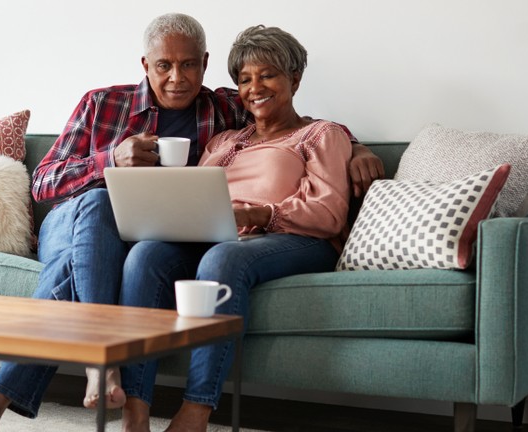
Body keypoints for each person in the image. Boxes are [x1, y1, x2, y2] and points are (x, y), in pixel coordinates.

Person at [0, 15, 383, 432]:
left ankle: (13, 398)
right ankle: (98, 361)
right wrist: (110, 161)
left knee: (140, 255)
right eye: (164, 65)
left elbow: (300, 123)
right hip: (72, 219)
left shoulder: (222, 110)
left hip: (164, 232)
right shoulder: (103, 103)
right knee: (100, 201)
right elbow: (43, 182)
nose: (177, 77)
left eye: (189, 64)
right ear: (146, 65)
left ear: (204, 63)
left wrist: (357, 149)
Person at [116, 24, 353, 432]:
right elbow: (194, 195)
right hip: (219, 234)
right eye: (244, 79)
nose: (254, 87)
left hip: (295, 238)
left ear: (294, 79)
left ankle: (197, 410)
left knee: (224, 257)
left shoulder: (320, 135)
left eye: (268, 75)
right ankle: (134, 408)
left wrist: (257, 215)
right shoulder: (223, 141)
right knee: (146, 255)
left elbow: (329, 212)